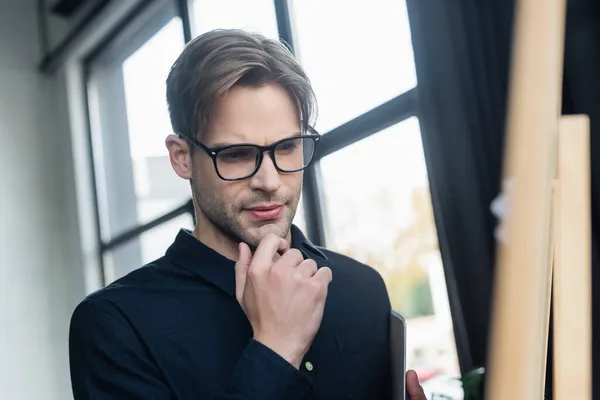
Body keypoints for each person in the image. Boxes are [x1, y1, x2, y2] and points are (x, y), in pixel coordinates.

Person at [69, 28, 427, 400]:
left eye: (288, 147)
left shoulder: (362, 287)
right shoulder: (116, 325)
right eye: (237, 154)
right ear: (181, 157)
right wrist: (275, 347)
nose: (270, 181)